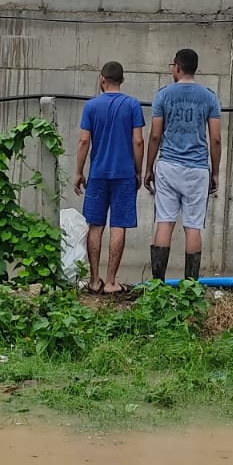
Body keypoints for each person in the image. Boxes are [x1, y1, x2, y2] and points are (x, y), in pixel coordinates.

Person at [143, 48, 222, 282]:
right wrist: (215, 172)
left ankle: (157, 285)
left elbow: (155, 135)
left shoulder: (163, 95)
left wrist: (149, 167)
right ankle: (191, 287)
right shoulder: (209, 97)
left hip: (168, 165)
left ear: (177, 67)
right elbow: (215, 139)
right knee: (193, 226)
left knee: (164, 222)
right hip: (197, 169)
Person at [73, 61, 145, 294]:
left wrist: (78, 171)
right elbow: (138, 141)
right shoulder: (132, 104)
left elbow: (84, 141)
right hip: (124, 174)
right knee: (118, 226)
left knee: (96, 225)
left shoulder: (91, 106)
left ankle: (94, 281)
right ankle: (112, 281)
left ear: (102, 79)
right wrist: (138, 170)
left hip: (97, 174)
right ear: (121, 80)